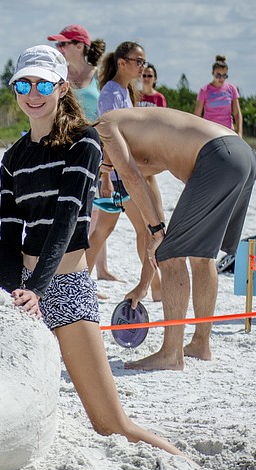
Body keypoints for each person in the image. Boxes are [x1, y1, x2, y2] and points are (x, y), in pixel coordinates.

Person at [0, 45, 179, 455]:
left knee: (109, 422)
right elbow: (9, 235)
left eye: (43, 83)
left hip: (63, 289)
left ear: (62, 87)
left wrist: (39, 290)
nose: (33, 92)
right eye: (23, 83)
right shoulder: (12, 157)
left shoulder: (85, 142)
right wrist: (10, 293)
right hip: (21, 295)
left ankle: (191, 468)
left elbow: (65, 221)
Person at [94, 107, 256, 370]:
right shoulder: (140, 141)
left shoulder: (104, 126)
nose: (105, 167)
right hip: (242, 154)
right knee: (202, 257)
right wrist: (143, 285)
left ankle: (171, 354)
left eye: (100, 163)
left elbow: (132, 180)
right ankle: (201, 344)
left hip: (218, 155)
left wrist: (159, 234)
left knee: (173, 256)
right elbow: (155, 223)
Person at [86, 41, 162, 300]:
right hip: (118, 174)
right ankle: (155, 286)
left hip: (122, 173)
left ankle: (81, 281)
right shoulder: (110, 93)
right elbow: (107, 135)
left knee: (104, 230)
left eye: (144, 62)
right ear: (122, 62)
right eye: (138, 61)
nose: (143, 67)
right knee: (145, 229)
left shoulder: (123, 91)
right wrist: (105, 177)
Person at [47, 24, 105, 122]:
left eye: (62, 44)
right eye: (57, 44)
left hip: (97, 134)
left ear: (79, 46)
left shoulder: (100, 75)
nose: (58, 48)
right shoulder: (58, 75)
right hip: (67, 135)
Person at [194, 55, 243, 137]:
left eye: (224, 75)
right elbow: (197, 115)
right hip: (209, 132)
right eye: (218, 75)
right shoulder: (204, 90)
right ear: (212, 73)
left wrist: (240, 132)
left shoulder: (231, 89)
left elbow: (237, 113)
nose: (221, 78)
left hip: (228, 131)